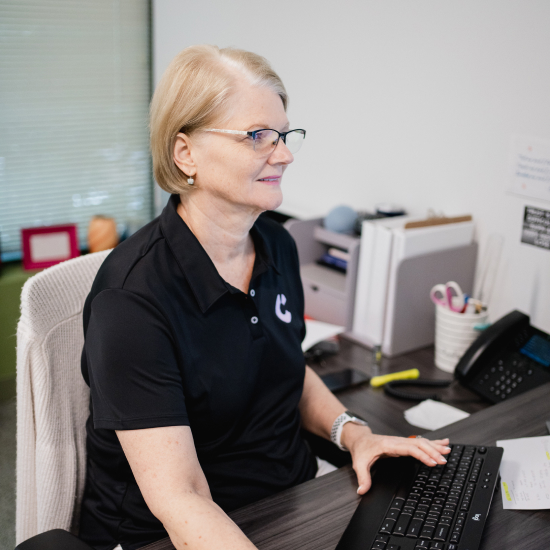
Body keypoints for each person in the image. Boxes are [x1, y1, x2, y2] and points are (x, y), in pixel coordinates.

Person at [79, 45, 450, 550]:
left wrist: (353, 434)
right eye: (257, 136)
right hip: (177, 532)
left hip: (291, 498)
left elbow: (286, 366)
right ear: (185, 152)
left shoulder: (276, 242)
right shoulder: (132, 300)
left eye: (283, 134)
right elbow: (181, 497)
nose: (285, 154)